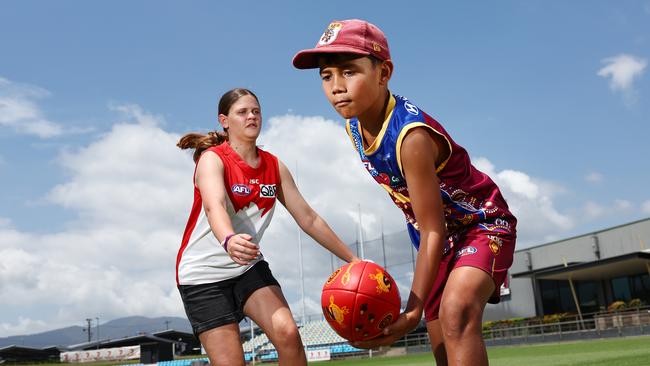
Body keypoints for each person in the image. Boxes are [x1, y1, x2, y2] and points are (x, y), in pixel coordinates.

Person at [292, 20, 517, 366]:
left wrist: (411, 311)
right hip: (435, 236)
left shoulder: (410, 137)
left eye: (349, 72)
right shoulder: (353, 126)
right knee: (441, 337)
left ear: (384, 73)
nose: (337, 87)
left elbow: (433, 227)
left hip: (480, 223)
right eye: (326, 76)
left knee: (456, 313)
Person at [175, 88, 359, 366]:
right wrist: (228, 239)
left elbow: (308, 218)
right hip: (202, 277)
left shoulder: (274, 166)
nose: (252, 116)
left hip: (247, 267)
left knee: (288, 334)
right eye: (242, 112)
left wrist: (353, 259)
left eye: (256, 111)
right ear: (224, 120)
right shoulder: (212, 159)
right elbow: (214, 206)